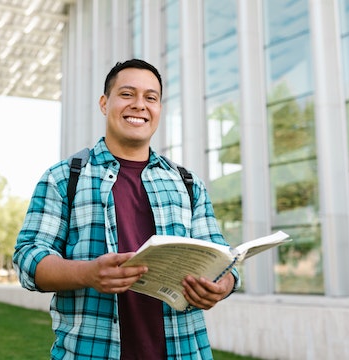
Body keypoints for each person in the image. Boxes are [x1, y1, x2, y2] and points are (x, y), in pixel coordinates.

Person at [13, 59, 240, 359]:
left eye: (151, 97)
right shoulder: (64, 178)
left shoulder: (188, 184)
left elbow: (223, 258)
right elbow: (28, 258)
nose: (139, 105)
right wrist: (87, 273)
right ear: (104, 104)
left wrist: (223, 284)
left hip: (185, 351)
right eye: (127, 94)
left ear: (159, 109)